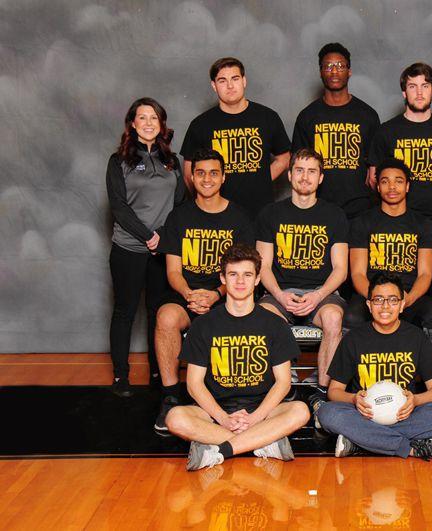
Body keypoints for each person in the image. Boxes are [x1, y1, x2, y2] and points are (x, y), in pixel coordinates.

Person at [165, 244, 310, 470]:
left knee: (300, 411)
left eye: (247, 275)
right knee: (175, 418)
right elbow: (194, 384)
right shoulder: (203, 325)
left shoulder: (275, 325)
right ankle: (264, 442)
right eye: (233, 274)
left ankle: (220, 450)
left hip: (263, 410)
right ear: (223, 278)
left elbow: (283, 383)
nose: (240, 281)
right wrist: (224, 418)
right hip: (215, 411)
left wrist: (255, 418)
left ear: (257, 279)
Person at [153, 148, 255, 435]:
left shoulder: (239, 218)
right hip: (186, 294)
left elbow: (244, 272)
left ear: (223, 177)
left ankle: (231, 398)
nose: (207, 179)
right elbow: (173, 271)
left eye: (213, 173)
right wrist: (189, 294)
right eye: (200, 173)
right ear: (192, 177)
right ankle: (171, 397)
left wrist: (217, 294)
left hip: (227, 295)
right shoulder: (179, 217)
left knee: (240, 318)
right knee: (166, 317)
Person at [316, 273, 432, 461]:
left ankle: (363, 443)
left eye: (392, 300)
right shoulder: (353, 339)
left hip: (405, 416)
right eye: (378, 300)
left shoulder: (416, 337)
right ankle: (411, 448)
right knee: (327, 413)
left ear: (402, 304)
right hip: (364, 416)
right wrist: (353, 399)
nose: (385, 306)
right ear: (369, 305)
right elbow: (334, 391)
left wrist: (415, 400)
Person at [106, 97, 185, 396]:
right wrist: (148, 236)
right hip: (128, 248)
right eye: (142, 117)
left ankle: (157, 371)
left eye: (154, 117)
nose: (149, 123)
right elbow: (119, 207)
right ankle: (120, 376)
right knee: (125, 311)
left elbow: (180, 204)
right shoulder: (119, 160)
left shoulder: (172, 161)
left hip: (162, 251)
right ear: (133, 123)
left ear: (161, 124)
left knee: (157, 313)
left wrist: (161, 237)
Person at [255, 148, 348, 394]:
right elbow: (263, 266)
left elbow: (341, 269)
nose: (305, 177)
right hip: (280, 293)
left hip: (321, 294)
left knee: (333, 318)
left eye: (311, 171)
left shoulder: (335, 215)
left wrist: (318, 296)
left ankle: (322, 393)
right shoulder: (270, 214)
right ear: (289, 175)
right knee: (264, 317)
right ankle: (285, 388)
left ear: (321, 177)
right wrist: (279, 295)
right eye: (299, 170)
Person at [180, 57, 291, 218]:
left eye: (235, 78)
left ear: (244, 81)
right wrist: (205, 200)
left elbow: (284, 158)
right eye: (222, 81)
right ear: (214, 86)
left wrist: (261, 182)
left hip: (259, 212)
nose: (230, 86)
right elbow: (188, 173)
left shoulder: (267, 117)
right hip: (217, 214)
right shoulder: (200, 125)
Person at [346, 158, 432, 331]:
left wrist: (408, 299)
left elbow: (425, 274)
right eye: (385, 181)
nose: (392, 187)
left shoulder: (423, 224)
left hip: (409, 294)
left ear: (407, 186)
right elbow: (358, 273)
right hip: (372, 294)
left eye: (398, 181)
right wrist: (377, 298)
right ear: (378, 187)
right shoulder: (362, 222)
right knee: (352, 317)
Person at [292, 43, 380, 219]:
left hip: (360, 209)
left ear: (349, 71)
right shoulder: (307, 117)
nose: (334, 71)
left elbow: (376, 166)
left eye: (340, 65)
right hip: (319, 207)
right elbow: (298, 165)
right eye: (328, 66)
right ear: (320, 72)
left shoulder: (368, 115)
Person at [367, 63, 432, 222]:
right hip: (396, 219)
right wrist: (394, 208)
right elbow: (373, 178)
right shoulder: (386, 131)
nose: (419, 92)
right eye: (412, 86)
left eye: (425, 86)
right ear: (404, 92)